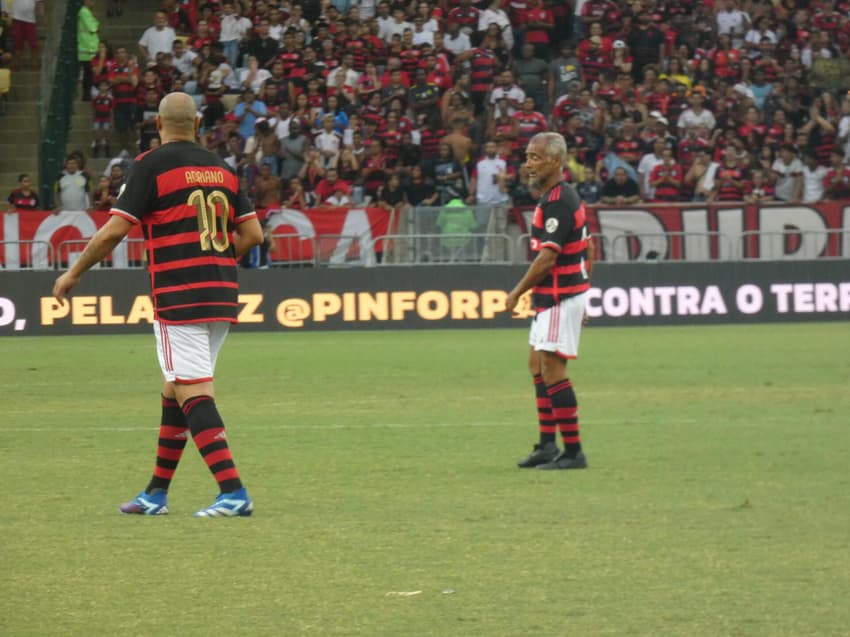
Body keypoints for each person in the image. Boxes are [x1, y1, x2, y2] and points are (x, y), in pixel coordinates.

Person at [52, 92, 264, 517]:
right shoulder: (223, 169)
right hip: (220, 292)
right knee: (176, 389)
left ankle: (234, 492)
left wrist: (74, 272)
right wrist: (216, 259)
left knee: (193, 391)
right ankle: (155, 494)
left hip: (178, 293)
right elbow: (254, 235)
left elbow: (115, 231)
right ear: (199, 124)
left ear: (159, 126)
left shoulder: (151, 165)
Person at [505, 132, 593, 470]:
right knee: (536, 365)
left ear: (556, 162)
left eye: (536, 158)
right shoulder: (556, 197)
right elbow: (590, 246)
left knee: (553, 370)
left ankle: (573, 452)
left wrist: (516, 292)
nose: (528, 163)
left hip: (559, 295)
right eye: (527, 156)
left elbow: (546, 259)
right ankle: (546, 445)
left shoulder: (559, 200)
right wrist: (586, 291)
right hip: (558, 296)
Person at [77, 0, 99, 102]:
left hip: (89, 49)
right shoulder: (84, 11)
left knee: (88, 74)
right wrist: (96, 23)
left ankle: (87, 95)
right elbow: (93, 27)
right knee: (87, 74)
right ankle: (86, 95)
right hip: (85, 49)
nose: (94, 2)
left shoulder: (87, 12)